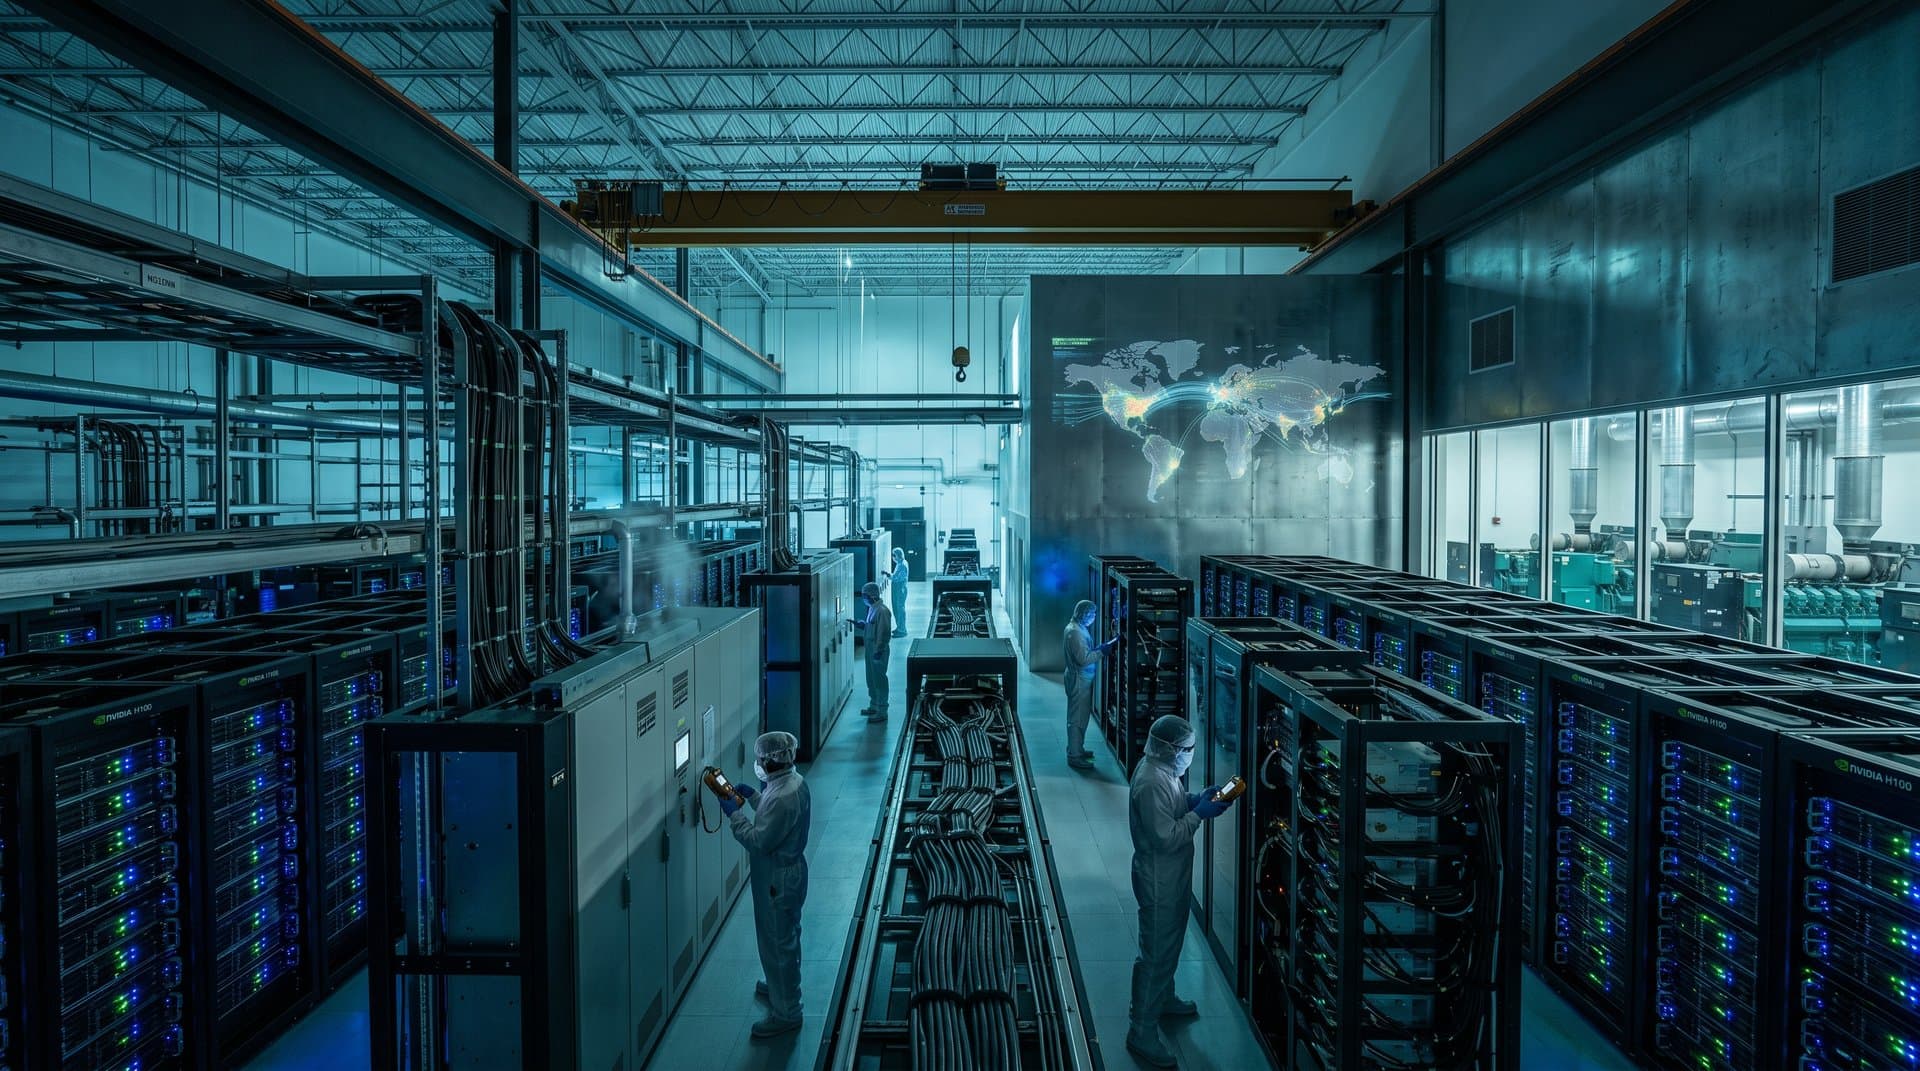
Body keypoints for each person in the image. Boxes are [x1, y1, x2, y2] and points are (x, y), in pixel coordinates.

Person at [1126, 714, 1234, 1068]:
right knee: (1156, 951)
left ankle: (1165, 997)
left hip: (1171, 875)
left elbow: (1170, 808)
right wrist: (1199, 814)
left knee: (1169, 943)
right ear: (1171, 748)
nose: (1190, 753)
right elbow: (1165, 837)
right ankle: (1141, 1031)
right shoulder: (1150, 781)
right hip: (1159, 877)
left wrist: (1191, 800)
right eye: (1187, 748)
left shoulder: (1162, 770)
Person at [721, 730, 813, 1039]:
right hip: (790, 874)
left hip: (778, 879)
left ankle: (787, 1011)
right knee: (785, 937)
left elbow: (759, 840)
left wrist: (735, 816)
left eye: (760, 759)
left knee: (777, 943)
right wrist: (754, 798)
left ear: (769, 760)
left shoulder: (782, 797)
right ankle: (778, 986)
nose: (758, 763)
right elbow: (778, 818)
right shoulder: (793, 783)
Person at [1062, 599, 1118, 769]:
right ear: (1084, 613)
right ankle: (1075, 755)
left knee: (1081, 717)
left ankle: (1077, 748)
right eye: (1092, 614)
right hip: (1079, 680)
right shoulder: (1075, 633)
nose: (1094, 617)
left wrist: (1099, 648)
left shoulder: (1078, 628)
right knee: (1077, 719)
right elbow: (1083, 659)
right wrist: (1102, 652)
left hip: (1081, 679)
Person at [853, 581, 893, 722]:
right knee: (871, 679)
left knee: (879, 680)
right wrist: (863, 625)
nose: (863, 598)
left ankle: (882, 711)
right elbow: (873, 628)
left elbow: (884, 633)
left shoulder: (882, 611)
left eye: (865, 595)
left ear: (872, 595)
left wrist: (879, 650)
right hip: (870, 648)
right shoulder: (873, 608)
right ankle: (874, 705)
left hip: (878, 650)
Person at [884, 547, 910, 637]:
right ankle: (899, 627)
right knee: (896, 608)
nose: (893, 557)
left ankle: (902, 630)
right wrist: (889, 575)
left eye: (894, 555)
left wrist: (887, 575)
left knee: (900, 609)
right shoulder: (900, 563)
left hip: (900, 588)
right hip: (898, 588)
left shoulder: (902, 564)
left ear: (898, 555)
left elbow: (896, 578)